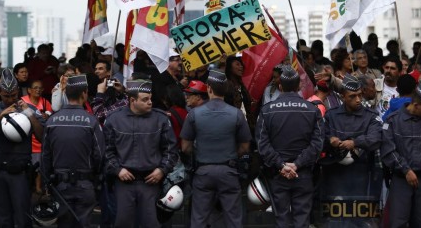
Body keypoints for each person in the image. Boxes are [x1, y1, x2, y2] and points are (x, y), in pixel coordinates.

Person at [180, 70, 252, 228]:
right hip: (229, 171)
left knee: (199, 218)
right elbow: (245, 146)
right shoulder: (236, 114)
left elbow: (185, 147)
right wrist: (232, 154)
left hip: (203, 171)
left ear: (209, 89)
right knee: (233, 219)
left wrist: (200, 153)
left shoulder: (194, 114)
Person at [104, 79, 178, 227]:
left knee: (151, 223)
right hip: (123, 182)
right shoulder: (114, 119)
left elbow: (171, 149)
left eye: (150, 98)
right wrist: (118, 170)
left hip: (151, 181)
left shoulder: (161, 119)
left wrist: (162, 170)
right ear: (132, 100)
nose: (150, 102)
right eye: (145, 100)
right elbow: (105, 150)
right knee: (122, 223)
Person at [256, 67, 324, 228]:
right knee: (302, 220)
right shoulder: (312, 110)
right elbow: (318, 143)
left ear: (280, 87)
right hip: (303, 174)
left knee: (282, 220)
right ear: (299, 86)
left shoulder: (266, 111)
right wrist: (297, 164)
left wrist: (281, 165)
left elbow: (261, 144)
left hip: (278, 174)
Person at [0, 69, 44, 228]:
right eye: (6, 96)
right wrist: (1, 115)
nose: (10, 99)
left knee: (23, 217)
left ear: (18, 91)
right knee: (2, 218)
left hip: (20, 172)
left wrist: (28, 113)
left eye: (13, 95)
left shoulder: (29, 107)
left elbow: (42, 136)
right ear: (0, 92)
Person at [41, 74, 105, 227]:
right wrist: (98, 179)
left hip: (60, 185)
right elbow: (100, 155)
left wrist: (46, 185)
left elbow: (45, 156)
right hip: (85, 184)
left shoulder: (52, 121)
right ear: (84, 93)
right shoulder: (91, 121)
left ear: (66, 94)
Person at [320, 74, 382, 225]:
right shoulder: (331, 115)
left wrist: (354, 142)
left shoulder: (371, 116)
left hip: (361, 174)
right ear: (342, 97)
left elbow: (376, 139)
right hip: (335, 174)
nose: (358, 99)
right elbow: (319, 138)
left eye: (360, 95)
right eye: (352, 96)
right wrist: (330, 140)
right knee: (335, 217)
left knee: (358, 217)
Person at [381, 80, 421, 227]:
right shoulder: (393, 121)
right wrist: (406, 170)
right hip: (402, 178)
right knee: (398, 222)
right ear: (415, 105)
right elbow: (388, 151)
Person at [21, 79, 53, 194]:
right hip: (27, 140)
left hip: (39, 140)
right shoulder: (22, 102)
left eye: (40, 88)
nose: (38, 90)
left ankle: (38, 188)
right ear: (29, 90)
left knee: (39, 167)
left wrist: (46, 117)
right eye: (35, 88)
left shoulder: (45, 102)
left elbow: (50, 118)